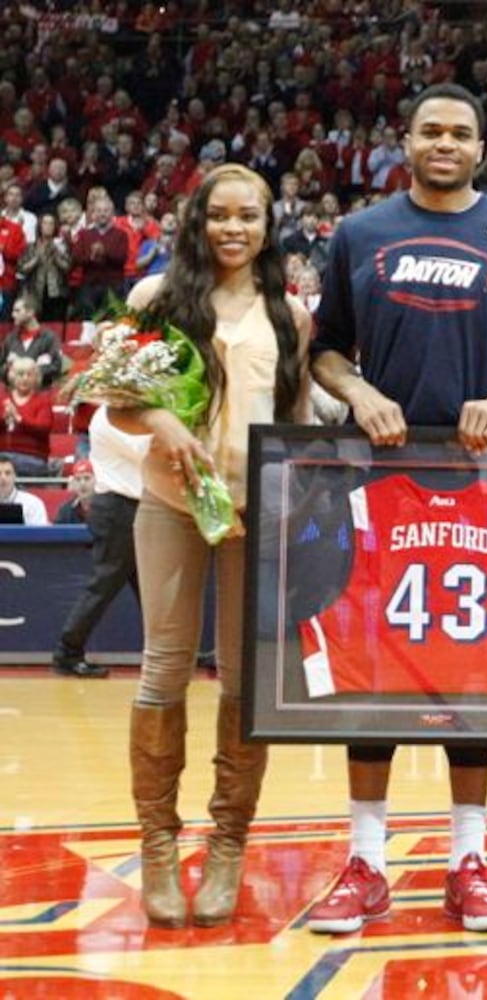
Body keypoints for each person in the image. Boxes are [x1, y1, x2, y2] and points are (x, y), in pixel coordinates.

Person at [305, 83, 487, 936]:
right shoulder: (361, 233)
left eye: (461, 133)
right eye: (431, 130)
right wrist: (362, 391)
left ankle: (469, 860)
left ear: (482, 149)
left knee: (472, 671)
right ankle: (367, 862)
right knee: (375, 669)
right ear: (405, 140)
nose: (445, 142)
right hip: (378, 476)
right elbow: (327, 354)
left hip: (480, 482)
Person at [108, 163, 312, 929]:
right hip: (169, 502)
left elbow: (293, 421)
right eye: (220, 216)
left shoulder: (290, 313)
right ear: (198, 221)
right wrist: (159, 422)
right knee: (163, 666)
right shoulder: (153, 299)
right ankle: (158, 846)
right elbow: (121, 402)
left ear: (267, 226)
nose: (234, 229)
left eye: (248, 217)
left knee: (240, 677)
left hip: (254, 515)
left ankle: (228, 844)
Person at [51, 407, 150, 678]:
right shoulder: (107, 417)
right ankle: (67, 652)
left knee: (150, 588)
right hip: (119, 510)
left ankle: (169, 650)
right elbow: (145, 449)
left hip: (135, 507)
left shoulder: (129, 415)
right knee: (103, 585)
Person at [0, 355, 54, 476]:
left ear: (36, 378)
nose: (24, 379)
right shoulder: (2, 398)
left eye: (29, 375)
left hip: (32, 458)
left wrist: (19, 418)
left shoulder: (42, 401)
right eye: (20, 374)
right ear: (13, 377)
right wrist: (4, 417)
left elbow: (43, 428)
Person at [1, 292, 65, 388]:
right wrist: (8, 367)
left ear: (31, 312)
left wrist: (26, 367)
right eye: (13, 311)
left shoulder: (49, 338)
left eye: (17, 311)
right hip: (13, 395)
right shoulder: (10, 339)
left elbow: (56, 367)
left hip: (41, 393)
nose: (13, 315)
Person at [0, 455, 48, 524]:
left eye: (8, 473)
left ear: (15, 476)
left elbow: (40, 533)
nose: (3, 478)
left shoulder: (33, 503)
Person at [54, 458, 94, 524]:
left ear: (97, 481)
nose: (82, 483)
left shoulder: (108, 508)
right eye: (78, 479)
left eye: (87, 478)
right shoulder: (65, 510)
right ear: (73, 483)